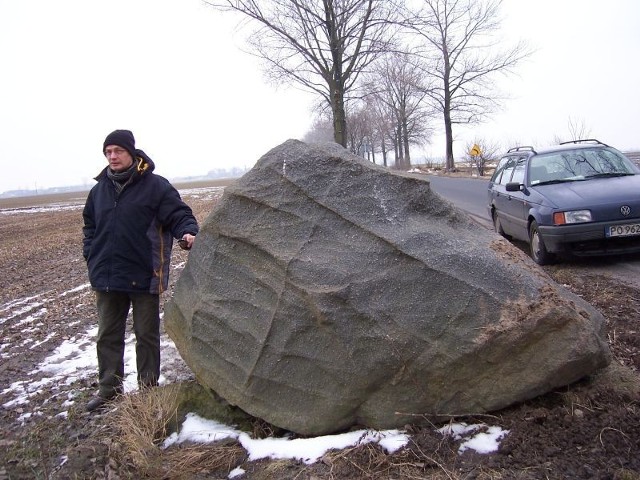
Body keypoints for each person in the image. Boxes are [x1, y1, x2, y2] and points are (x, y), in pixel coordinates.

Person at [82, 129, 198, 412]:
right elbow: (89, 227)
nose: (112, 156)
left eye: (117, 151)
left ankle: (148, 389)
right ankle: (109, 389)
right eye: (108, 152)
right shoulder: (98, 191)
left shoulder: (155, 186)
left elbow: (179, 215)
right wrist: (91, 255)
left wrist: (188, 233)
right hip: (107, 276)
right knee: (108, 335)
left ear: (132, 154)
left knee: (146, 336)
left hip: (145, 273)